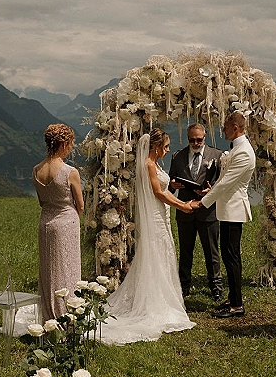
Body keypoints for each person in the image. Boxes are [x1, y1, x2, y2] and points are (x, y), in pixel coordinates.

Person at [101, 128, 196, 345]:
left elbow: (162, 188)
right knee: (158, 252)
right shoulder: (148, 165)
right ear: (155, 147)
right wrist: (183, 205)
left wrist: (173, 187)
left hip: (160, 214)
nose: (168, 150)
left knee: (162, 253)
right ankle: (156, 301)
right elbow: (158, 193)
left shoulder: (155, 165)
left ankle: (161, 296)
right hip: (154, 215)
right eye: (165, 146)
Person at [191, 112, 256, 318]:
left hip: (234, 210)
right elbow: (224, 179)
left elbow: (228, 183)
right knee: (228, 256)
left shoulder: (244, 152)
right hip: (227, 209)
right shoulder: (237, 149)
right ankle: (232, 298)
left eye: (226, 127)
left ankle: (237, 305)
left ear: (236, 127)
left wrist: (203, 202)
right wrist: (210, 189)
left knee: (232, 257)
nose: (223, 131)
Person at [33, 123, 84, 321]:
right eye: (70, 144)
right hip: (66, 224)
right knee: (68, 270)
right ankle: (67, 315)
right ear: (63, 144)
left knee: (48, 272)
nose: (70, 148)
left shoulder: (36, 170)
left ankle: (48, 316)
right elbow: (80, 204)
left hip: (45, 223)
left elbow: (41, 202)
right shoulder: (70, 172)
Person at [169, 123, 224, 300]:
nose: (195, 143)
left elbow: (223, 183)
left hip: (208, 211)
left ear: (205, 137)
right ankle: (183, 286)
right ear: (187, 138)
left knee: (212, 251)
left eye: (199, 139)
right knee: (185, 251)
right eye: (192, 140)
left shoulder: (217, 155)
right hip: (185, 210)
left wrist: (211, 190)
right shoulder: (178, 156)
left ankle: (216, 285)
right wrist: (172, 184)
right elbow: (169, 184)